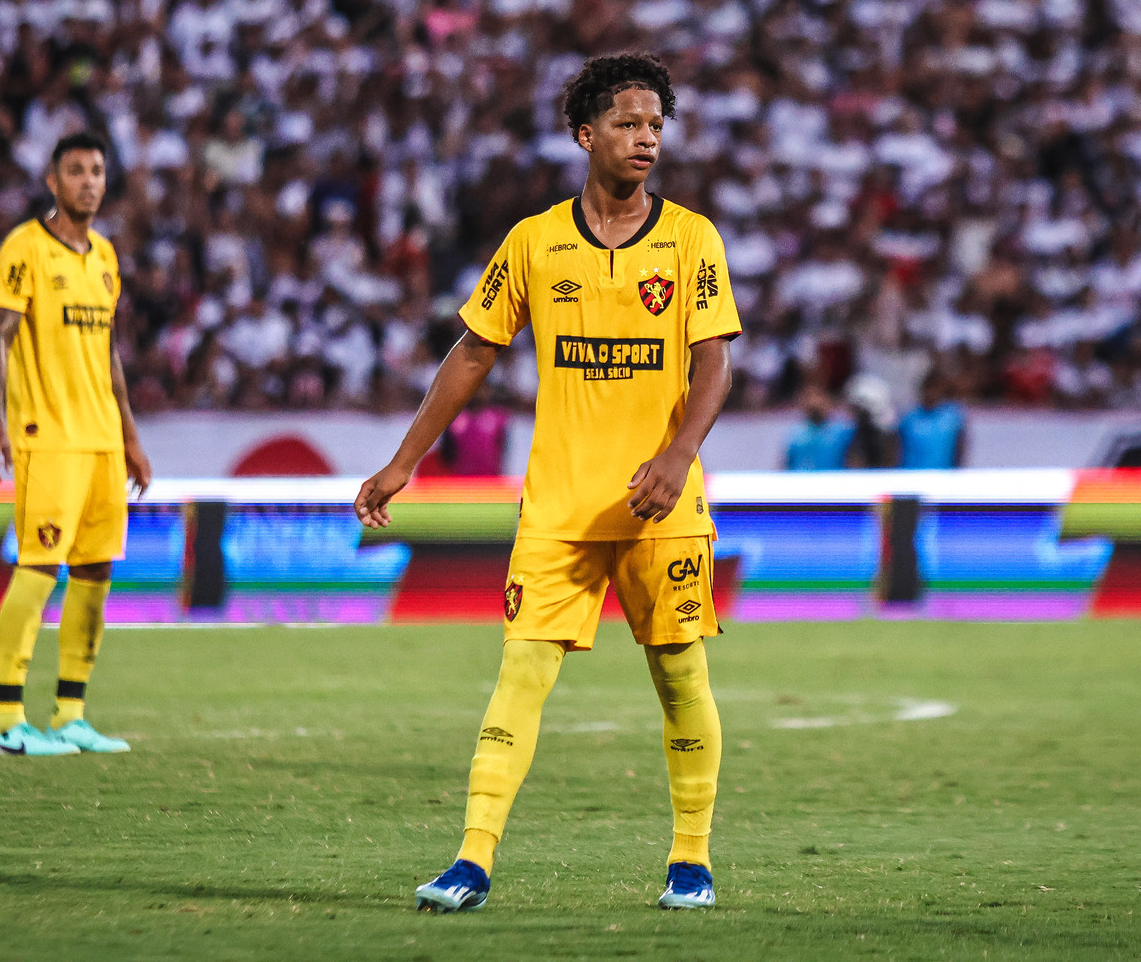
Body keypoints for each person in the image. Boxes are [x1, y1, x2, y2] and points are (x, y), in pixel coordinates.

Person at [355, 53, 740, 913]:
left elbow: (714, 363)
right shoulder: (534, 242)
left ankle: (691, 860)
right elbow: (473, 353)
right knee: (519, 675)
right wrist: (404, 459)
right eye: (629, 122)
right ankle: (472, 859)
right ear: (585, 133)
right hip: (560, 504)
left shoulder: (691, 238)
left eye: (656, 124)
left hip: (661, 505)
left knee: (681, 677)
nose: (646, 138)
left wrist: (678, 457)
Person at [0, 131, 153, 756]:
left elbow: (108, 354)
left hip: (101, 440)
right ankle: (3, 720)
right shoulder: (26, 246)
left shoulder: (104, 256)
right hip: (46, 436)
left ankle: (70, 714)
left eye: (97, 171)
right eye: (74, 171)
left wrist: (129, 434)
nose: (88, 181)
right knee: (39, 566)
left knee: (95, 571)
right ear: (53, 181)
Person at [897, 371, 968, 469]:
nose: (931, 393)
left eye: (935, 389)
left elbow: (960, 449)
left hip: (942, 477)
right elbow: (897, 448)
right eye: (928, 388)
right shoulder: (908, 417)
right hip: (911, 476)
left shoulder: (953, 418)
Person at [783, 385, 854, 470]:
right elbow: (787, 464)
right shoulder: (796, 434)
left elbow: (853, 462)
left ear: (828, 402)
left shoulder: (843, 432)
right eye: (809, 399)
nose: (814, 402)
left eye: (819, 399)